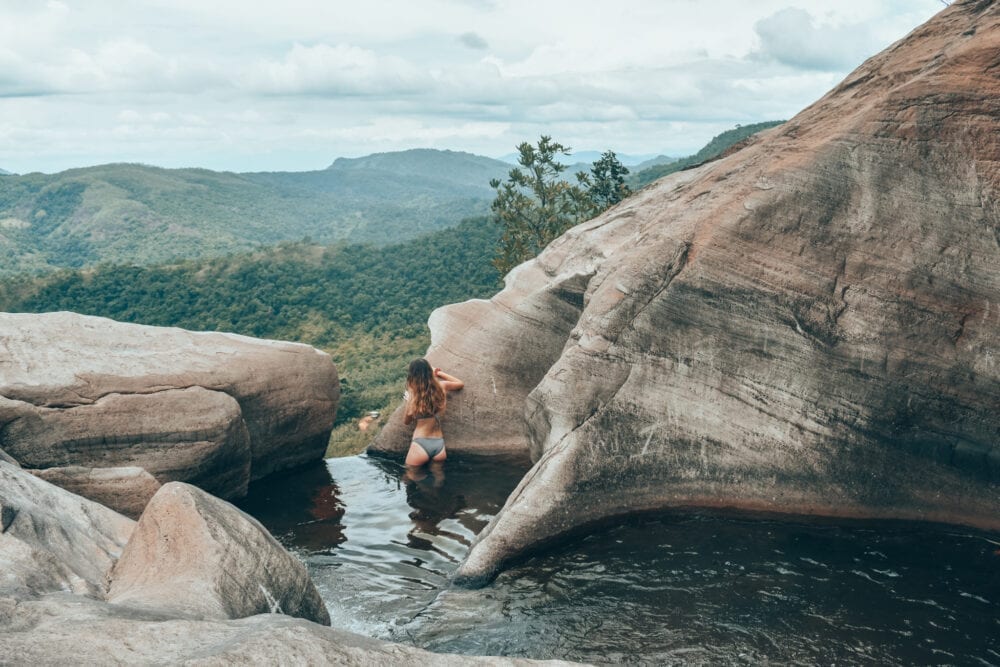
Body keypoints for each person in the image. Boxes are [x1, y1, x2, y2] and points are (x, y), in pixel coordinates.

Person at [403, 358, 464, 467]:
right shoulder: (442, 386)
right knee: (438, 479)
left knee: (409, 476)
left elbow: (407, 421)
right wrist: (438, 372)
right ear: (429, 371)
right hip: (439, 444)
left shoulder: (414, 393)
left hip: (420, 444)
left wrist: (409, 401)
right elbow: (460, 383)